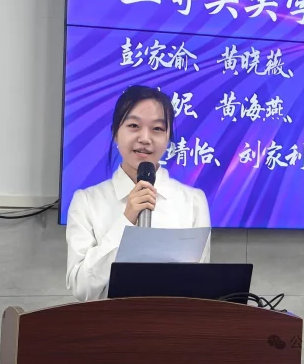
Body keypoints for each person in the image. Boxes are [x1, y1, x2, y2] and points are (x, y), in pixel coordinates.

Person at [65, 85, 211, 302]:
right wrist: (126, 221)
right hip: (110, 321)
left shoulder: (193, 201)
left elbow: (200, 289)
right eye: (133, 125)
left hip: (173, 321)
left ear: (168, 137)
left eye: (157, 128)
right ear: (115, 133)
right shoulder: (87, 201)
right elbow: (81, 288)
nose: (145, 138)